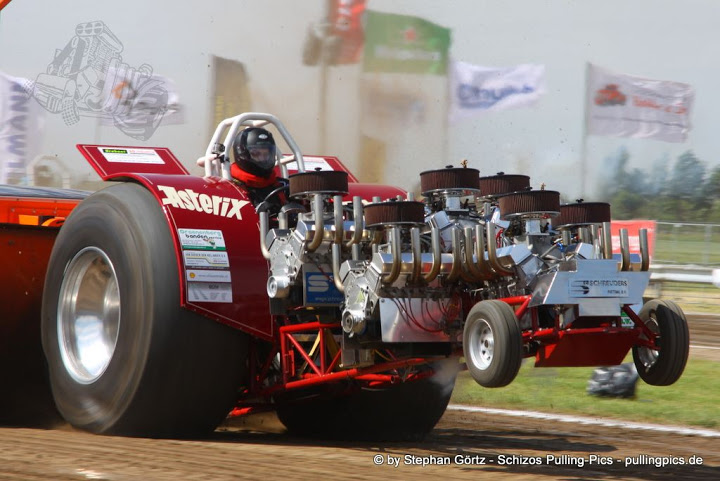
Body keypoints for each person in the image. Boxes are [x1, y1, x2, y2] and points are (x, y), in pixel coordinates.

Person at [197, 127, 288, 210]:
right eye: (256, 154)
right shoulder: (229, 188)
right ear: (243, 154)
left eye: (266, 154)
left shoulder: (282, 186)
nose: (262, 158)